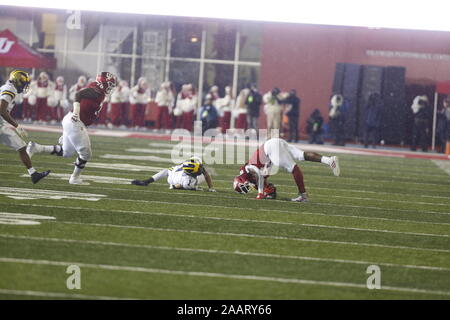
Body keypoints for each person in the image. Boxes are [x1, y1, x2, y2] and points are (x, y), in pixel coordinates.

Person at [26, 72, 117, 184]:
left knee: (66, 152)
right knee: (86, 154)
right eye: (110, 85)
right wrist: (76, 113)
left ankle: (36, 148)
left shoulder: (98, 90)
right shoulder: (96, 90)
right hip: (75, 121)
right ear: (103, 83)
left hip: (72, 121)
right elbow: (78, 95)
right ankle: (74, 178)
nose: (111, 88)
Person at [233, 137, 340, 202]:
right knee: (301, 155)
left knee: (293, 168)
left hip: (270, 148)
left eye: (245, 187)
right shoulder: (251, 177)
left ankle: (303, 195)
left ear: (242, 181)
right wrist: (267, 190)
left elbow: (258, 173)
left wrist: (260, 193)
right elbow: (262, 177)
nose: (248, 188)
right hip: (273, 144)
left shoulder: (246, 170)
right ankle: (329, 160)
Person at [0, 70, 50, 184]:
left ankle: (33, 174)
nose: (24, 86)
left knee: (22, 147)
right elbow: (2, 111)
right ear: (17, 81)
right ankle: (33, 174)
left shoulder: (8, 88)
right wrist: (16, 126)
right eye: (23, 83)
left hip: (1, 125)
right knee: (22, 147)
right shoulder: (9, 89)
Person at [130, 156, 216, 192]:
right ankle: (147, 181)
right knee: (187, 184)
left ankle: (147, 181)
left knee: (165, 171)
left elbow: (204, 172)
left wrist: (211, 187)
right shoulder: (188, 181)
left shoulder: (191, 164)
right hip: (175, 181)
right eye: (199, 168)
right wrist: (196, 188)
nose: (201, 169)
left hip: (173, 172)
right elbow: (179, 185)